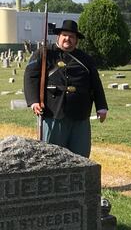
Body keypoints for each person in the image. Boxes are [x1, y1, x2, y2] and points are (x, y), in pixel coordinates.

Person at [23, 19, 108, 157]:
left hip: (80, 114)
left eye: (72, 36)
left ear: (76, 40)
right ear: (59, 36)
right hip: (53, 112)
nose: (68, 39)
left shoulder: (85, 59)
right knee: (51, 156)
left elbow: (95, 83)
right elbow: (30, 77)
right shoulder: (44, 53)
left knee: (80, 156)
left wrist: (102, 107)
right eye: (65, 35)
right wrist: (34, 102)